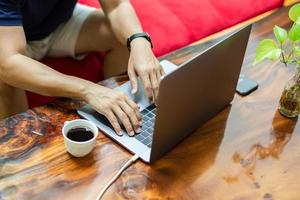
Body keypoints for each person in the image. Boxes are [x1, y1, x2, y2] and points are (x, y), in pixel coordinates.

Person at [0, 0, 165, 136]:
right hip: (9, 37)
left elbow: (116, 5)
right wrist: (88, 90)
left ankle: (123, 113)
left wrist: (138, 39)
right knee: (4, 79)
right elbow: (8, 62)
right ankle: (20, 158)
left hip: (58, 23)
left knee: (123, 37)